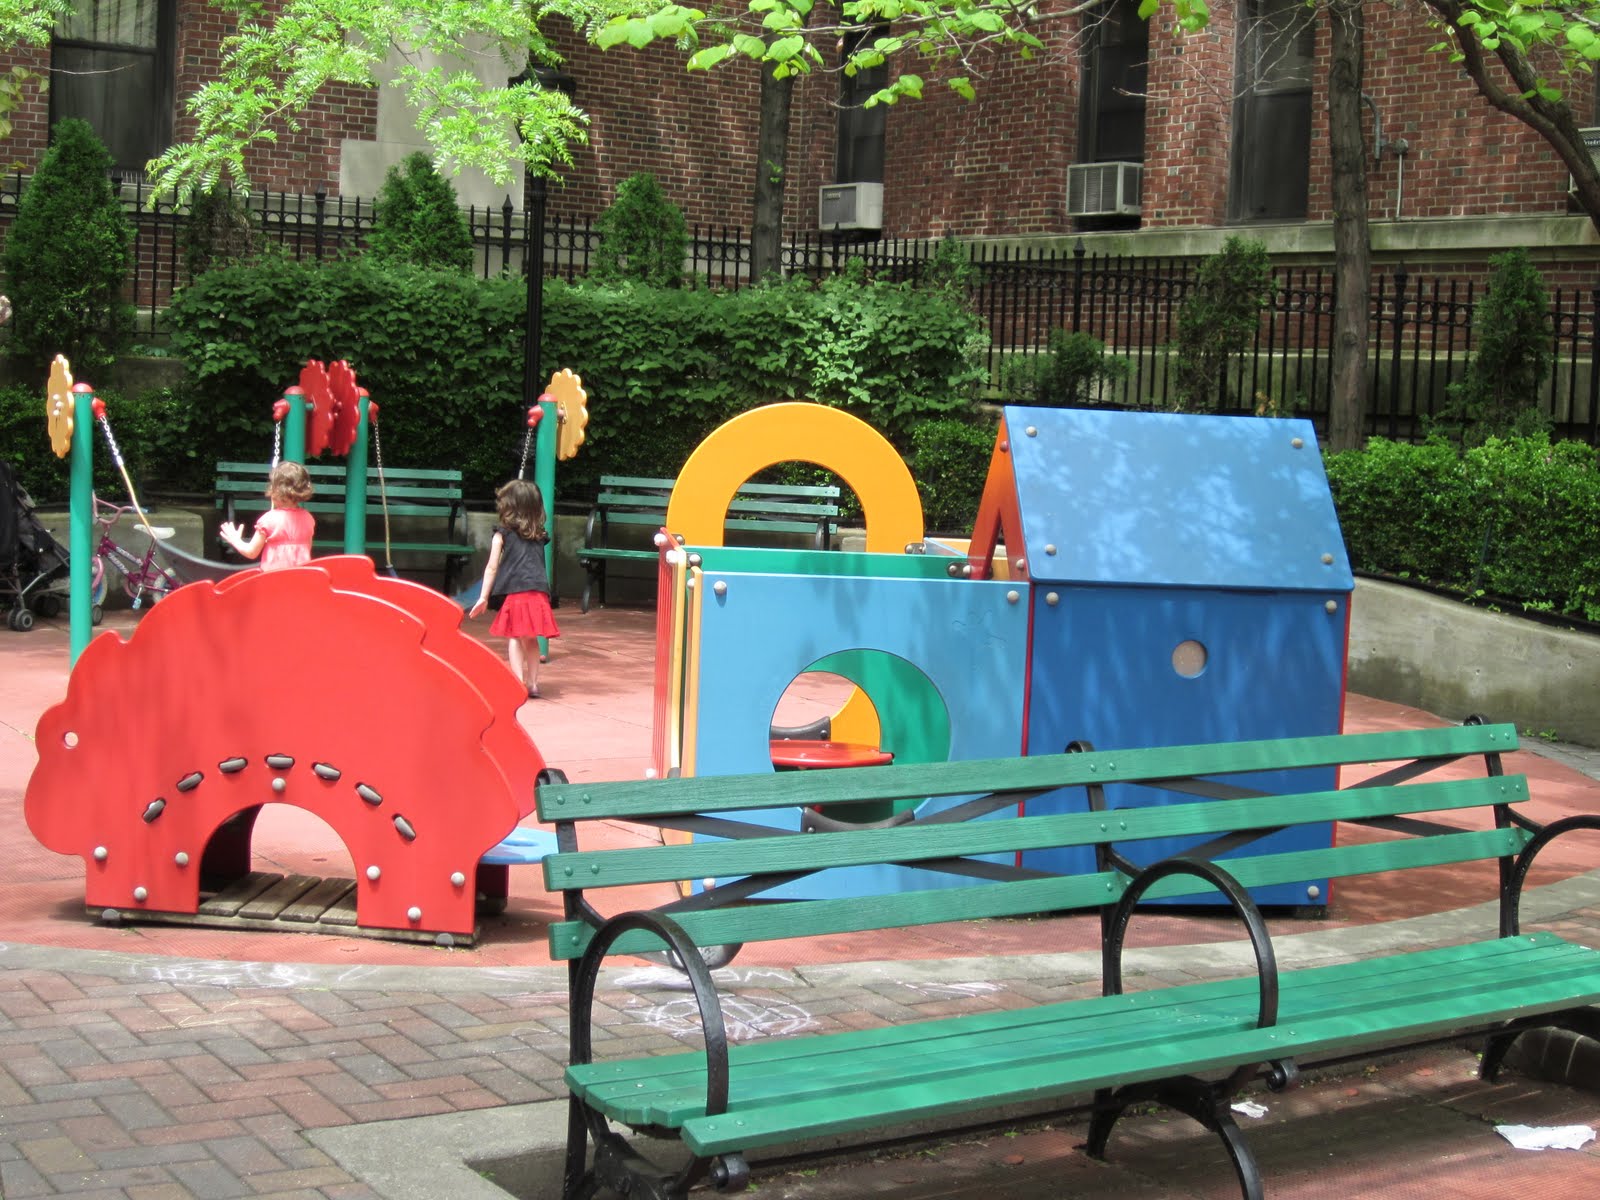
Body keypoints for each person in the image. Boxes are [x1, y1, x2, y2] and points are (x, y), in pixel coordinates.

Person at [469, 478, 560, 698]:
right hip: (538, 592)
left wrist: (483, 597)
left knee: (514, 637)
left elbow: (492, 567)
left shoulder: (502, 534)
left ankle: (518, 682)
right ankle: (534, 683)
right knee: (530, 639)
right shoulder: (540, 535)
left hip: (517, 592)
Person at [220, 461, 315, 571]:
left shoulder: (268, 520)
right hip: (301, 579)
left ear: (275, 490)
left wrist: (235, 540)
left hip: (274, 581)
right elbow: (307, 548)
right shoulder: (308, 518)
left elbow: (251, 552)